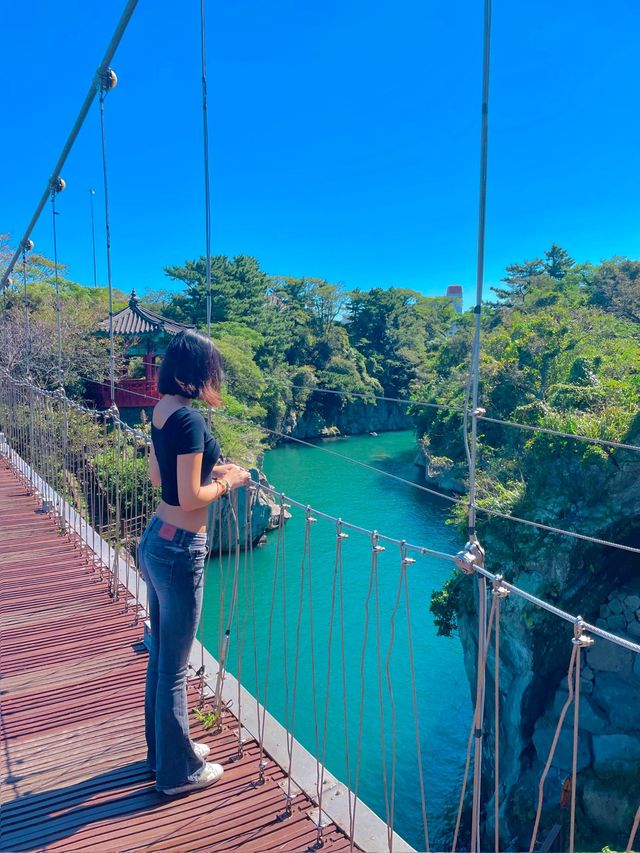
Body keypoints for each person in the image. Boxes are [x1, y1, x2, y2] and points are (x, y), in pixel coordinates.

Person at [138, 330, 250, 795]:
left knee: (162, 658)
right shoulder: (186, 420)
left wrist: (210, 470)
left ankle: (164, 753)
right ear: (195, 374)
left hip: (155, 540)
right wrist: (233, 480)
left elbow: (156, 475)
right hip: (180, 548)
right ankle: (178, 774)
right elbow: (189, 496)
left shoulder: (161, 410)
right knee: (174, 667)